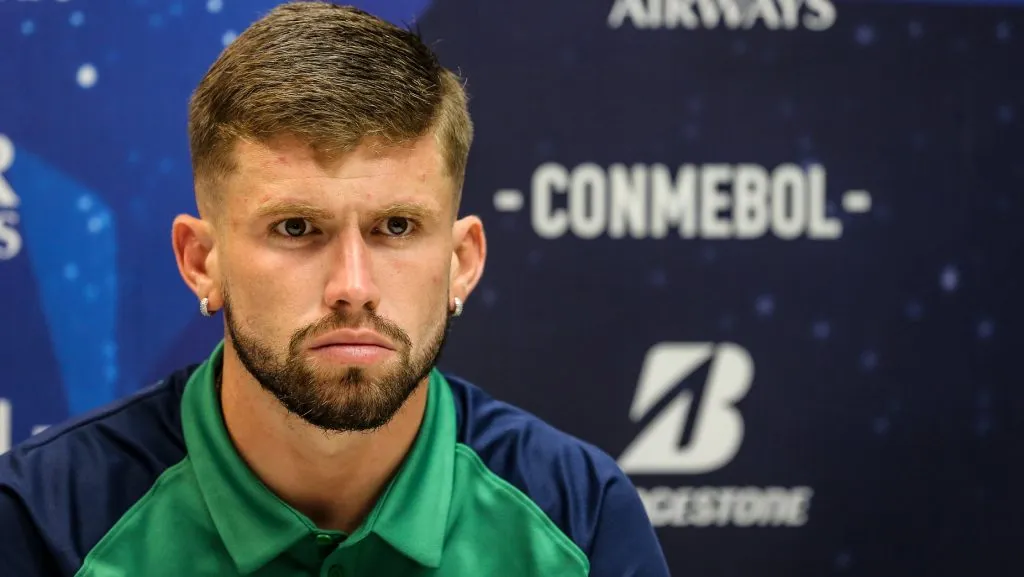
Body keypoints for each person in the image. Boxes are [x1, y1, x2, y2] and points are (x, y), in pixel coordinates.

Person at [0, 3, 670, 576]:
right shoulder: (43, 523)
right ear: (202, 260)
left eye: (397, 226)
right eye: (296, 227)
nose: (354, 287)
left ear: (462, 261)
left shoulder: (577, 517)